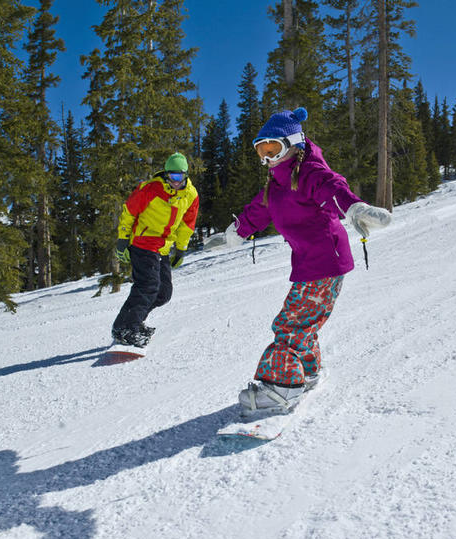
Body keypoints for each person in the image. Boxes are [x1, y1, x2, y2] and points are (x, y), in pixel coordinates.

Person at [222, 107, 391, 412]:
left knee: (290, 324)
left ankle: (281, 388)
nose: (268, 157)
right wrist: (235, 232)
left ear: (293, 144)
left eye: (273, 149)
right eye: (262, 151)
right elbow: (259, 210)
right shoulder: (277, 183)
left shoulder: (309, 172)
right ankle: (307, 372)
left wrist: (354, 208)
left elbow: (333, 187)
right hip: (309, 263)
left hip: (324, 261)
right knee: (304, 321)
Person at [111, 152, 199, 347]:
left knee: (163, 293)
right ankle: (128, 328)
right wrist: (123, 239)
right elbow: (129, 212)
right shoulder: (150, 189)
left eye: (179, 176)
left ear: (185, 175)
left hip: (163, 248)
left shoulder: (191, 195)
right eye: (171, 176)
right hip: (143, 243)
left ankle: (128, 323)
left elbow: (187, 225)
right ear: (166, 174)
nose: (175, 181)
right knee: (148, 286)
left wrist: (181, 249)